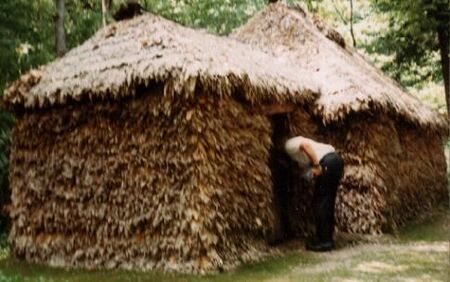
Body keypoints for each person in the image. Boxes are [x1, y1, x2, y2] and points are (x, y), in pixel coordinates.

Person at [284, 136, 344, 251]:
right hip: (334, 161)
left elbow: (305, 145)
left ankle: (325, 242)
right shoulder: (298, 154)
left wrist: (317, 166)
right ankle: (326, 238)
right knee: (326, 201)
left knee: (321, 202)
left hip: (327, 162)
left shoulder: (288, 145)